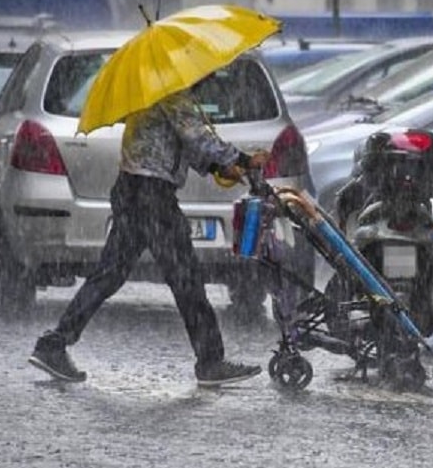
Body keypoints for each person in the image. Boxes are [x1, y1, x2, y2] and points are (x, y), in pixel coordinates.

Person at [28, 84, 270, 386]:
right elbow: (198, 138)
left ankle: (54, 344)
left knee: (110, 274)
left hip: (132, 189)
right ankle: (210, 362)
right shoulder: (171, 91)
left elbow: (176, 145)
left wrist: (219, 167)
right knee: (186, 280)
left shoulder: (152, 89)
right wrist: (245, 161)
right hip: (152, 195)